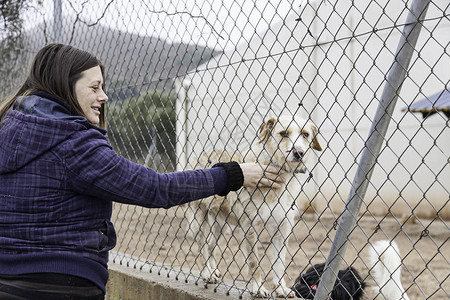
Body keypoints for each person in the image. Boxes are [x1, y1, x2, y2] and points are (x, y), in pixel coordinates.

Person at [0, 43, 284, 299]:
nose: (105, 96)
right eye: (95, 87)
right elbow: (156, 188)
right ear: (65, 86)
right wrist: (233, 174)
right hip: (63, 284)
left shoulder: (7, 127)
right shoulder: (74, 143)